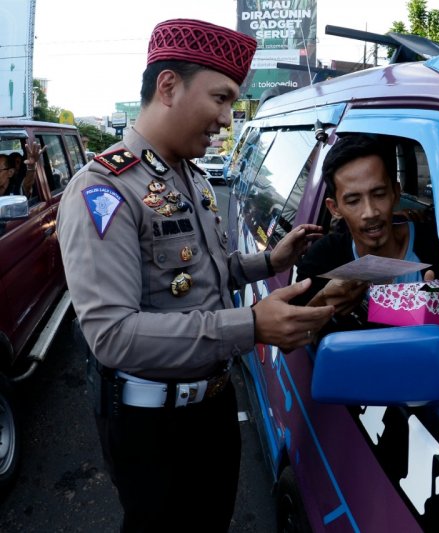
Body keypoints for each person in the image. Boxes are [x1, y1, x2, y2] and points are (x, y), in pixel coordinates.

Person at [56, 19, 333, 532]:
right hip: (153, 426)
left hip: (214, 404)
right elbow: (112, 335)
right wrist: (250, 325)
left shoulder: (191, 176)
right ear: (168, 86)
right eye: (221, 99)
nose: (228, 120)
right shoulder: (104, 189)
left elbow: (202, 273)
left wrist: (269, 262)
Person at [293, 134, 439, 334]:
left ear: (395, 192)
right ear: (335, 208)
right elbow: (289, 341)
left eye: (379, 194)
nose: (370, 212)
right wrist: (322, 302)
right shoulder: (323, 260)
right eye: (353, 201)